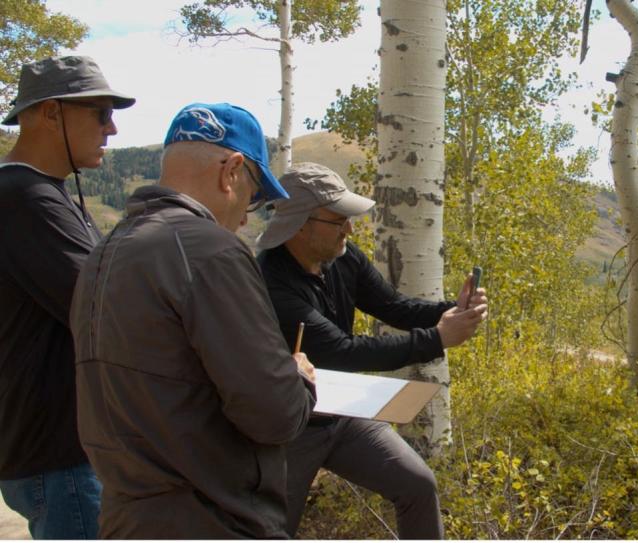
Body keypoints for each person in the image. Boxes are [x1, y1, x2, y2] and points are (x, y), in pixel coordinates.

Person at [69, 103, 318, 539]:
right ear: (232, 171)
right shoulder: (211, 251)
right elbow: (275, 413)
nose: (246, 216)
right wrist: (298, 378)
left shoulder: (102, 255)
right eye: (255, 197)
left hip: (124, 519)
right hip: (212, 518)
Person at [256, 162, 489, 539]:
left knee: (417, 485)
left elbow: (394, 306)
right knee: (270, 529)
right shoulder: (270, 283)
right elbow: (340, 351)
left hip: (340, 409)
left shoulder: (342, 256)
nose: (350, 228)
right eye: (338, 220)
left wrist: (451, 310)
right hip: (290, 425)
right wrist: (439, 338)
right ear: (300, 223)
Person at [0, 55, 134, 539]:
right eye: (100, 112)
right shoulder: (24, 198)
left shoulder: (40, 194)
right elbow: (110, 307)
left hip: (56, 455)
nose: (112, 128)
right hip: (61, 458)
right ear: (50, 113)